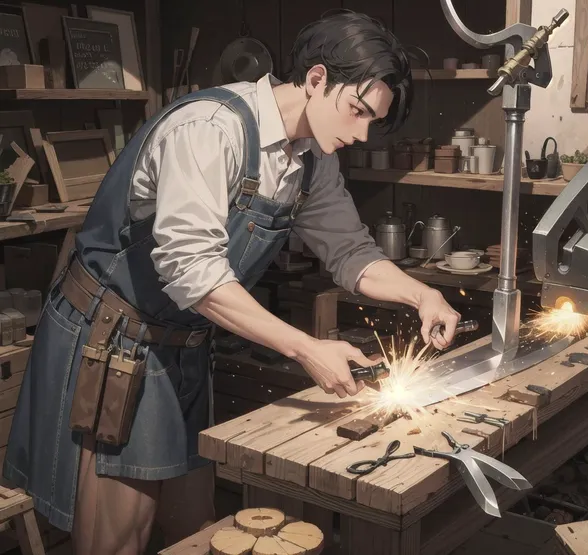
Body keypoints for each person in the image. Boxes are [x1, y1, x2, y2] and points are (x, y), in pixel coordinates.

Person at [3, 10, 461, 555]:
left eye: (372, 121)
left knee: (199, 532)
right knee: (117, 540)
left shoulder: (313, 157)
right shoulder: (208, 129)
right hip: (115, 343)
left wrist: (421, 293)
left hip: (185, 344)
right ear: (316, 80)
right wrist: (306, 349)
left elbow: (349, 251)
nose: (361, 133)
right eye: (357, 111)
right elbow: (190, 269)